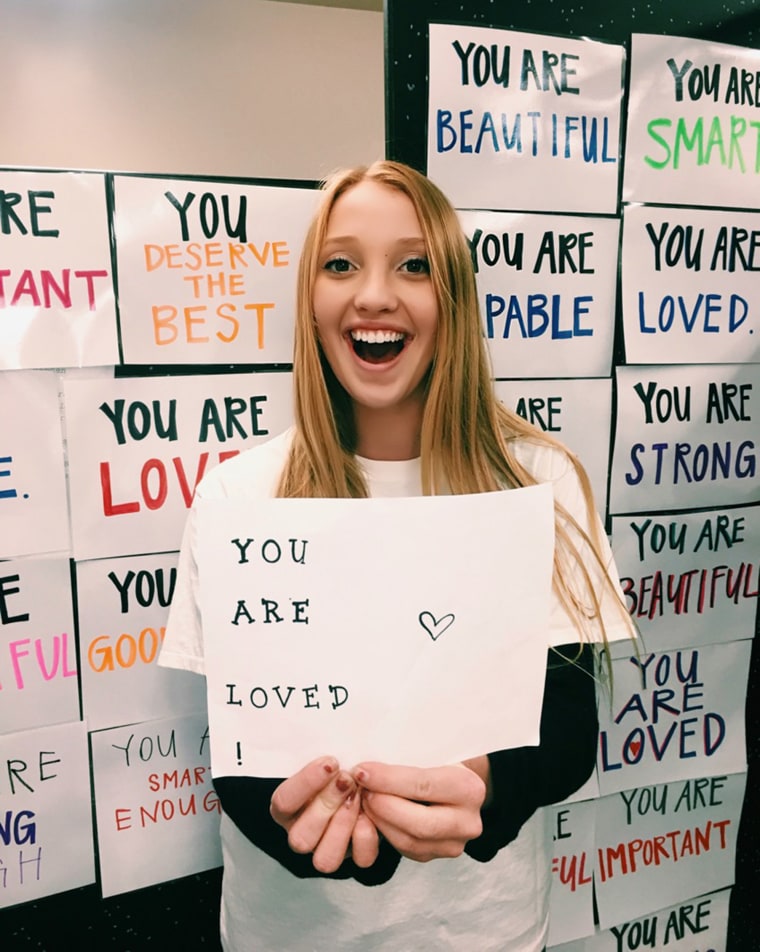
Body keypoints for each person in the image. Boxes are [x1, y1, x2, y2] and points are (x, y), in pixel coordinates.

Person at [159, 160, 635, 951]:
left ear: (453, 301)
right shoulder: (238, 495)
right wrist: (293, 826)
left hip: (486, 932)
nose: (374, 294)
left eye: (413, 265)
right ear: (311, 306)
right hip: (290, 933)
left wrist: (489, 787)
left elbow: (565, 728)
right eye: (340, 263)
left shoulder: (541, 481)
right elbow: (238, 750)